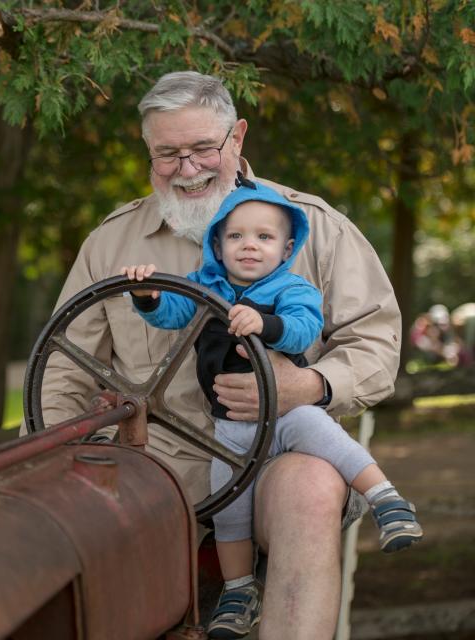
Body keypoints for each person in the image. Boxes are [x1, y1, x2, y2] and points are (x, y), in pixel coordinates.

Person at [33, 71, 402, 639]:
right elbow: (63, 370)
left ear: (238, 138)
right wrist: (53, 453)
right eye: (168, 154)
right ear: (149, 153)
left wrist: (308, 386)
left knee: (311, 487)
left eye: (203, 147)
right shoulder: (111, 243)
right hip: (150, 466)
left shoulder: (313, 228)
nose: (188, 168)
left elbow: (375, 341)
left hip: (274, 452)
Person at [121, 179, 422, 638]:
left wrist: (266, 323)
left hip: (285, 412)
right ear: (217, 246)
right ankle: (240, 591)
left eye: (264, 238)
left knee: (326, 438)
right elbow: (173, 314)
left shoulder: (290, 288)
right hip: (231, 426)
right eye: (236, 237)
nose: (250, 247)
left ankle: (387, 500)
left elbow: (303, 330)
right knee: (229, 508)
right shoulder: (204, 286)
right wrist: (148, 297)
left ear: (285, 249)